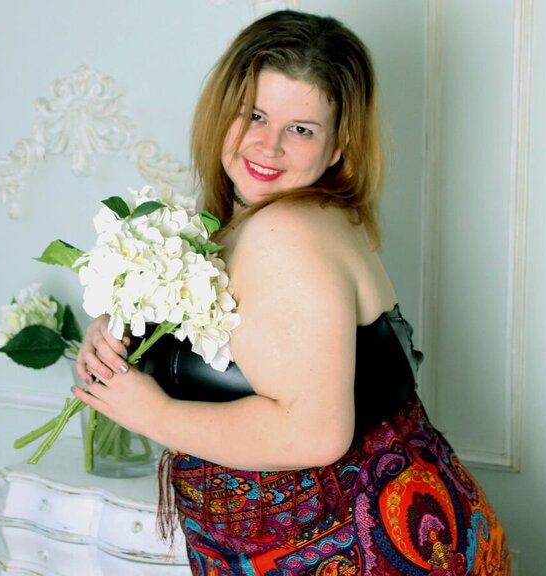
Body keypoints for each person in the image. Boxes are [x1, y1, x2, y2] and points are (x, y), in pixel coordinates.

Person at [72, 9, 509, 575]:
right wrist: (125, 329)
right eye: (254, 114)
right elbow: (258, 353)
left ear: (338, 145)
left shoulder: (285, 232)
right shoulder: (281, 219)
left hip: (369, 554)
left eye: (300, 129)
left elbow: (315, 433)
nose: (268, 145)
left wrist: (154, 414)